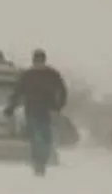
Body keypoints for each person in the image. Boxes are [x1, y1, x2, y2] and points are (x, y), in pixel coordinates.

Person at [4, 48, 67, 176]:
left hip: (41, 110)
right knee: (38, 136)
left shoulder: (32, 75)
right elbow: (18, 93)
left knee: (43, 137)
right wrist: (11, 107)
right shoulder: (49, 74)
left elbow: (17, 93)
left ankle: (40, 161)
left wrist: (58, 107)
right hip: (38, 110)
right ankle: (39, 162)